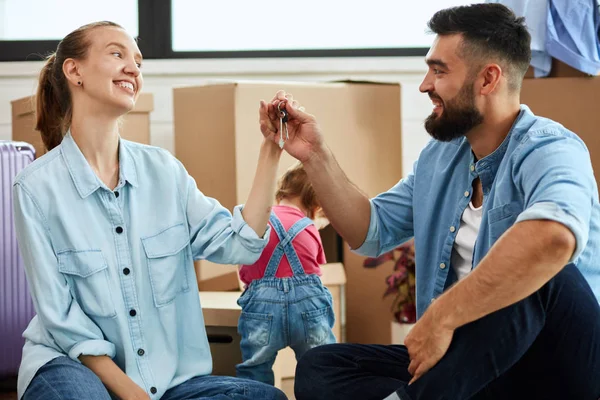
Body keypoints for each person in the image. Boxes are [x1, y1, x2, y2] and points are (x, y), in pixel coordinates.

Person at [264, 4, 600, 400]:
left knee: (545, 271)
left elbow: (555, 240)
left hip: (553, 366)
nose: (425, 85)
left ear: (488, 78)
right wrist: (314, 155)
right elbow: (369, 230)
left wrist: (442, 314)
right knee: (323, 366)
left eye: (439, 71)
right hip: (466, 367)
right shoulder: (440, 158)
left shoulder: (550, 147)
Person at [13, 21, 287, 400]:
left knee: (264, 398)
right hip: (72, 364)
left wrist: (271, 149)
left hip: (163, 378)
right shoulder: (35, 188)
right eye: (117, 53)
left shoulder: (165, 171)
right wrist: (131, 393)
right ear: (74, 70)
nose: (133, 69)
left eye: (138, 62)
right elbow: (61, 318)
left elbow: (239, 244)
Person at [235, 162, 336, 385]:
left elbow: (245, 272)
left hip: (263, 309)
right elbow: (315, 271)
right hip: (307, 308)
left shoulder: (257, 221)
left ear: (282, 189)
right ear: (315, 203)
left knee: (256, 370)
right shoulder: (309, 227)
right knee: (322, 366)